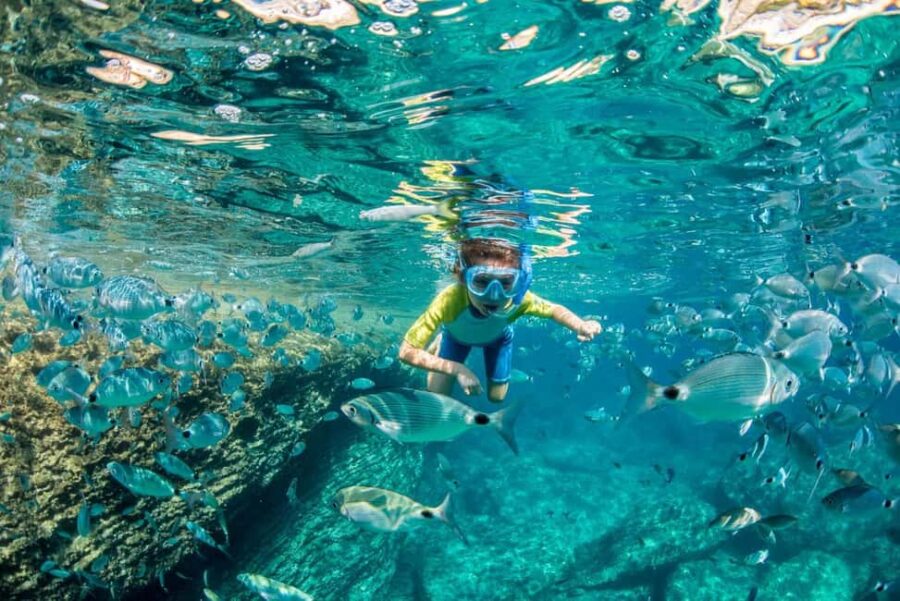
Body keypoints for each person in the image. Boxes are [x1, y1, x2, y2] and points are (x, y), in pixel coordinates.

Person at [398, 237, 602, 403]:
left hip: (498, 340)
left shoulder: (519, 300)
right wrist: (457, 369)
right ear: (463, 279)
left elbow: (554, 310)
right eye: (481, 282)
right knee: (437, 398)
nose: (493, 295)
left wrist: (580, 325)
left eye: (505, 282)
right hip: (456, 338)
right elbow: (406, 352)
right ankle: (443, 340)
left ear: (518, 282)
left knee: (496, 398)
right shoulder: (449, 300)